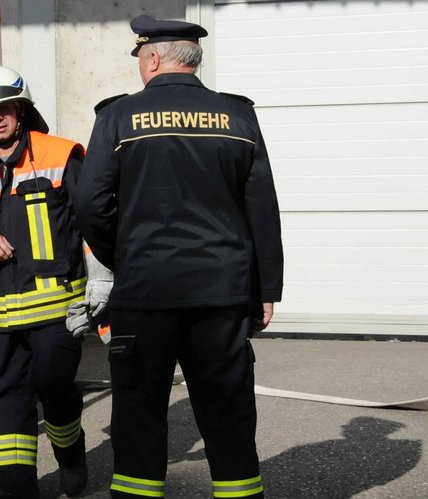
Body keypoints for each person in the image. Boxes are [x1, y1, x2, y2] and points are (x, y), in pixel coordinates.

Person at [71, 15, 283, 499]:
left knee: (140, 411)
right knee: (227, 410)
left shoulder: (119, 117)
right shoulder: (238, 116)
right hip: (222, 292)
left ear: (151, 58)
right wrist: (266, 287)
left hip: (146, 290)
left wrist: (122, 257)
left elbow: (90, 204)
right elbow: (262, 207)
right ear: (193, 60)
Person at [0, 63, 89, 498]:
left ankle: (71, 454)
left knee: (54, 390)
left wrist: (104, 290)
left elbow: (92, 222)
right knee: (6, 399)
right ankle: (14, 485)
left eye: (4, 108)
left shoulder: (60, 154)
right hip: (1, 316)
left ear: (21, 109)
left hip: (58, 310)